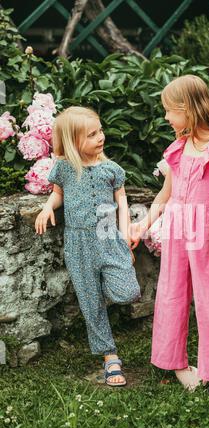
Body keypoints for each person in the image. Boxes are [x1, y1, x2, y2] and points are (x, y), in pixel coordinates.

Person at [130, 75, 209, 391]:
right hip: (177, 235)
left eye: (170, 110)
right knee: (172, 296)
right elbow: (164, 196)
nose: (167, 117)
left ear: (189, 108)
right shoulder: (178, 149)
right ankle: (177, 365)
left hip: (207, 238)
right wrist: (143, 225)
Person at [35, 106, 141, 387]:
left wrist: (127, 231)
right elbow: (57, 196)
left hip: (109, 235)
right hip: (78, 240)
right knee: (90, 302)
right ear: (73, 141)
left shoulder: (111, 169)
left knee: (128, 292)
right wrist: (47, 209)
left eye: (100, 131)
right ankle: (109, 356)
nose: (100, 137)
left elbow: (122, 203)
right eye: (92, 134)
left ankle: (107, 281)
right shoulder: (65, 169)